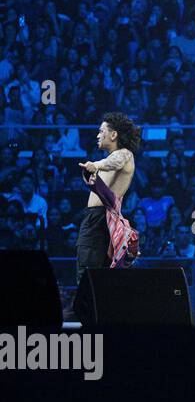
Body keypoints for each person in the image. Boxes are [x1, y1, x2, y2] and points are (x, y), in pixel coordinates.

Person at [76, 112, 140, 286]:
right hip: (97, 218)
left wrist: (96, 165)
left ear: (113, 134)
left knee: (88, 275)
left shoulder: (124, 154)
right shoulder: (111, 159)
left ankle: (86, 311)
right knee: (96, 276)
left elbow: (116, 161)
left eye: (101, 131)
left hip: (100, 219)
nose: (98, 135)